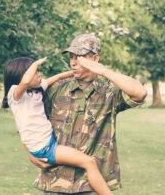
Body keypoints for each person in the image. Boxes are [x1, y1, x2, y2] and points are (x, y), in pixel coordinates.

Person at [28, 33, 147, 194]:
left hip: (91, 185)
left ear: (95, 58)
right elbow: (28, 119)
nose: (73, 62)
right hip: (55, 181)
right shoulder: (56, 88)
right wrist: (31, 151)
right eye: (71, 57)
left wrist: (104, 71)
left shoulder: (110, 92)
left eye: (80, 57)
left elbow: (140, 93)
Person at [2, 57, 114, 195]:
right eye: (35, 72)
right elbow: (25, 81)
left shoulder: (35, 90)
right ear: (21, 76)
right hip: (45, 148)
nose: (39, 75)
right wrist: (36, 63)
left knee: (88, 162)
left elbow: (55, 78)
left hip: (47, 143)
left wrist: (72, 73)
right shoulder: (15, 95)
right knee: (89, 163)